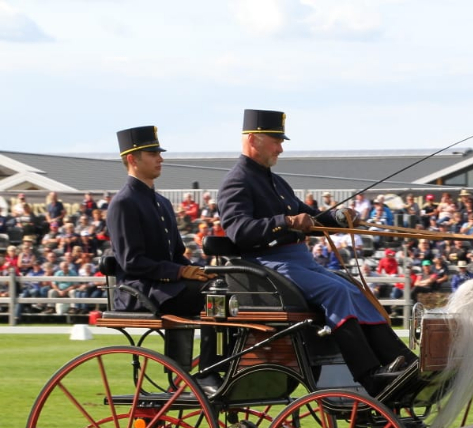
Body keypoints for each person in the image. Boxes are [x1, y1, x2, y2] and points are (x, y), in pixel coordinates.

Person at [217, 109, 415, 396]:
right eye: (275, 140)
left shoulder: (275, 182)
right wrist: (284, 222)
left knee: (354, 288)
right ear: (253, 140)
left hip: (299, 261)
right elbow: (239, 231)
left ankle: (403, 362)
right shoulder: (237, 181)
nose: (281, 148)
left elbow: (311, 217)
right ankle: (370, 375)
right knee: (336, 292)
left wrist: (339, 218)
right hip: (269, 264)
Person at [105, 126, 220, 389]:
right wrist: (180, 272)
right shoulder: (124, 203)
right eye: (153, 153)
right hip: (141, 289)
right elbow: (131, 262)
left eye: (159, 152)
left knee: (223, 286)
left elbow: (177, 255)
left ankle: (215, 367)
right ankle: (206, 373)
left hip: (166, 285)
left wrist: (197, 270)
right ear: (133, 159)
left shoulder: (162, 203)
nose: (160, 158)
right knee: (214, 295)